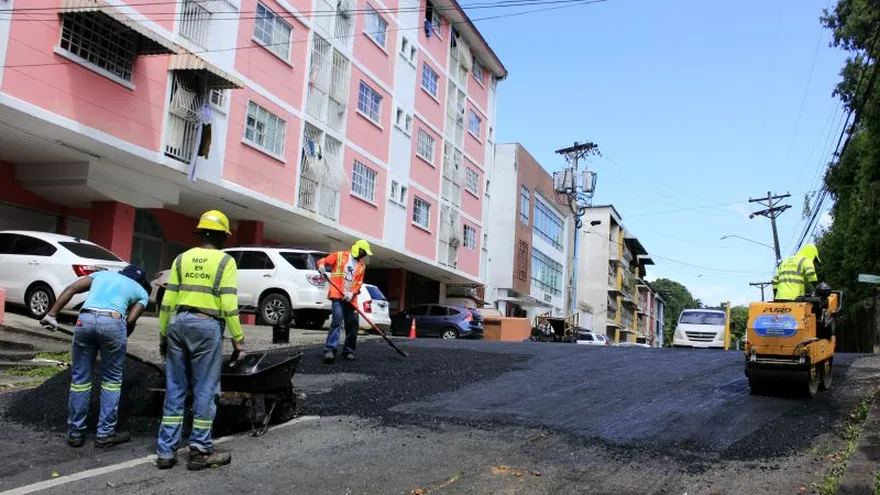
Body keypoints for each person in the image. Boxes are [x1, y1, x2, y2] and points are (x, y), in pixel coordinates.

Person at [155, 210, 245, 471]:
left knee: (175, 389)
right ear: (222, 236)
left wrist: (163, 334)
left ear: (202, 233)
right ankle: (200, 450)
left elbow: (167, 301)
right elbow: (229, 303)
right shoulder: (225, 262)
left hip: (177, 324)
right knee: (206, 389)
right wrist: (238, 339)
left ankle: (166, 452)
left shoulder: (182, 258)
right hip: (206, 326)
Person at [40, 264, 150, 448]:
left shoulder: (102, 275)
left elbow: (72, 288)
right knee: (111, 381)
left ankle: (75, 433)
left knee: (80, 379)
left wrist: (51, 315)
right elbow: (130, 320)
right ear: (139, 281)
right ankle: (105, 434)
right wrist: (119, 338)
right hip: (114, 322)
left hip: (85, 320)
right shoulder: (141, 292)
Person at [317, 239, 372, 364]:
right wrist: (321, 265)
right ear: (357, 248)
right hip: (337, 295)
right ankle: (330, 350)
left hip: (351, 298)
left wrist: (352, 293)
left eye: (365, 253)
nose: (363, 255)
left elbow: (358, 283)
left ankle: (348, 351)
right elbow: (324, 260)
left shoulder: (362, 266)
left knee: (353, 324)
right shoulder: (340, 255)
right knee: (337, 320)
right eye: (363, 252)